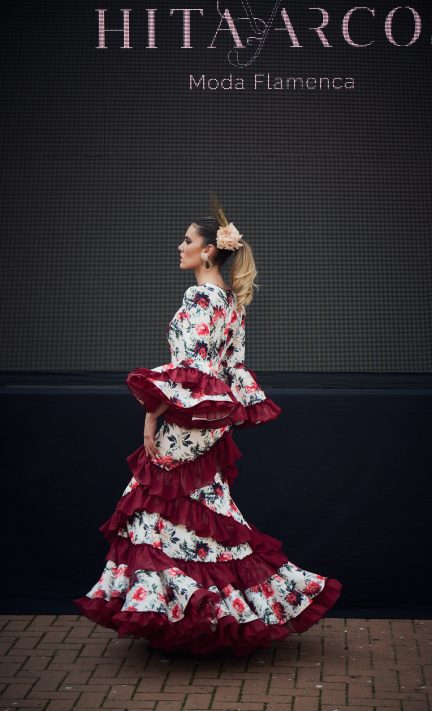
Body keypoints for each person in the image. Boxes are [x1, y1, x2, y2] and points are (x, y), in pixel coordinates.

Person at [73, 198, 343, 656]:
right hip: (212, 422)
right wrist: (216, 418)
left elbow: (191, 370)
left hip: (188, 418)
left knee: (156, 509)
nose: (180, 247)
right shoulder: (233, 304)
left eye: (187, 241)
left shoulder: (200, 297)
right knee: (203, 514)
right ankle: (226, 607)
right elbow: (233, 371)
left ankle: (190, 609)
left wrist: (150, 417)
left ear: (209, 251)